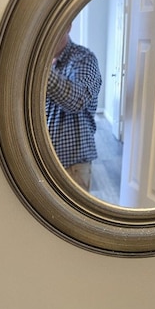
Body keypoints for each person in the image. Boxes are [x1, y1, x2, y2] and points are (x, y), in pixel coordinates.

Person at [46, 25, 102, 193]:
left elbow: (76, 100)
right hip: (39, 162)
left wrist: (40, 67)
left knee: (72, 219)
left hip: (72, 167)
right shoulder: (36, 65)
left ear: (68, 26)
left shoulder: (85, 59)